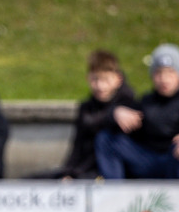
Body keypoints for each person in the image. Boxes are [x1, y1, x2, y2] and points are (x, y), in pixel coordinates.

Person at [36, 50, 135, 179]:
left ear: (118, 79)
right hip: (83, 170)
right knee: (32, 181)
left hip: (108, 174)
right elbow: (77, 146)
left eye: (105, 80)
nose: (100, 86)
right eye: (95, 79)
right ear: (88, 78)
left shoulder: (128, 106)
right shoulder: (86, 108)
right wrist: (68, 173)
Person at [95, 43, 179, 179]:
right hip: (147, 161)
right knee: (106, 139)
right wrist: (115, 113)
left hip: (173, 161)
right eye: (159, 72)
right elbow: (109, 120)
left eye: (170, 72)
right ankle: (113, 195)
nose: (164, 79)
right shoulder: (147, 101)